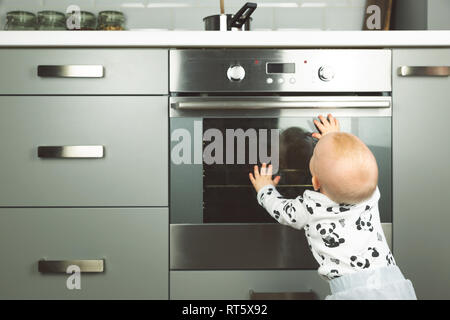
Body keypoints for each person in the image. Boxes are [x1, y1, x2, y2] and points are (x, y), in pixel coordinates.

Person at [249, 114, 417, 300]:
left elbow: (281, 210)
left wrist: (265, 188)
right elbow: (354, 164)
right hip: (393, 283)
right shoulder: (370, 194)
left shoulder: (311, 206)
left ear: (314, 181)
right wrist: (334, 138)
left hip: (352, 293)